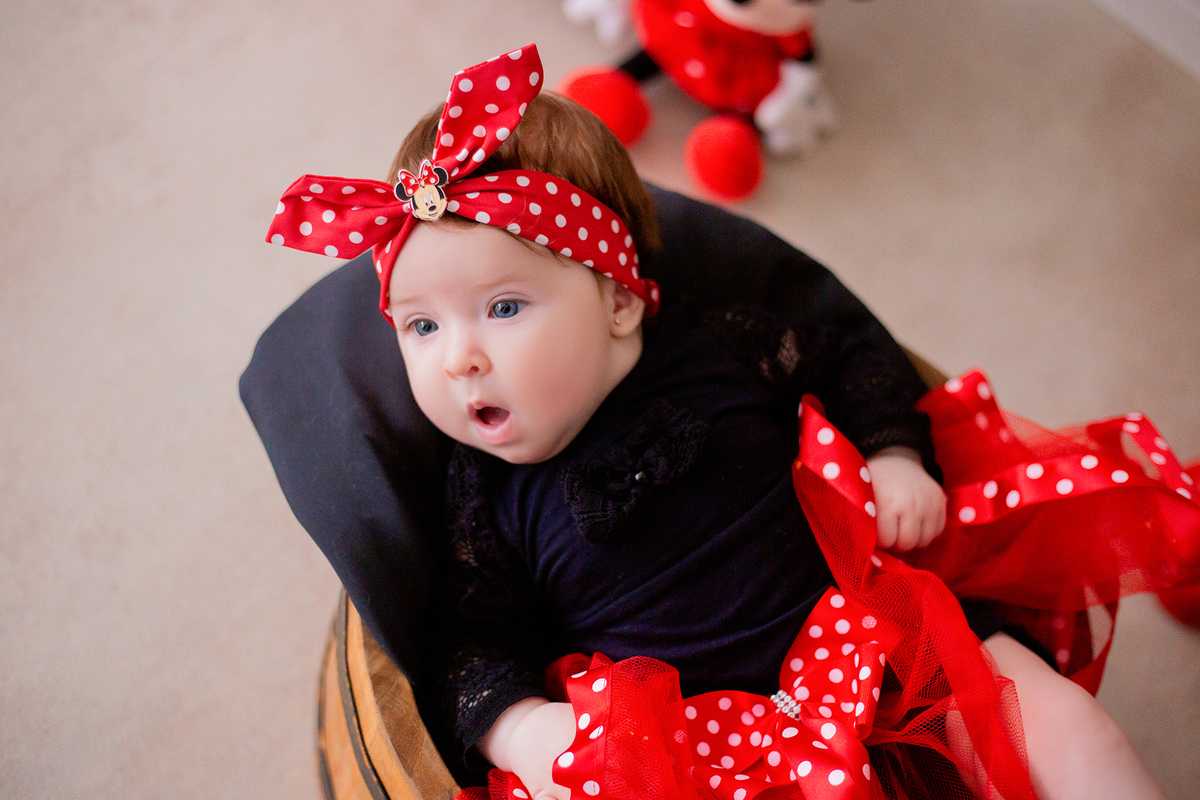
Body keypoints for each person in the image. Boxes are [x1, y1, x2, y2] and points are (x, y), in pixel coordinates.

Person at [267, 45, 1191, 800]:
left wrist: (893, 453)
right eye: (421, 327)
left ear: (618, 300)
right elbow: (468, 641)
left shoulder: (716, 342)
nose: (456, 358)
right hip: (716, 756)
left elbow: (846, 355)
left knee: (1069, 733)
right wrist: (519, 727)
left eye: (503, 308)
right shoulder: (482, 496)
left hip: (875, 636)